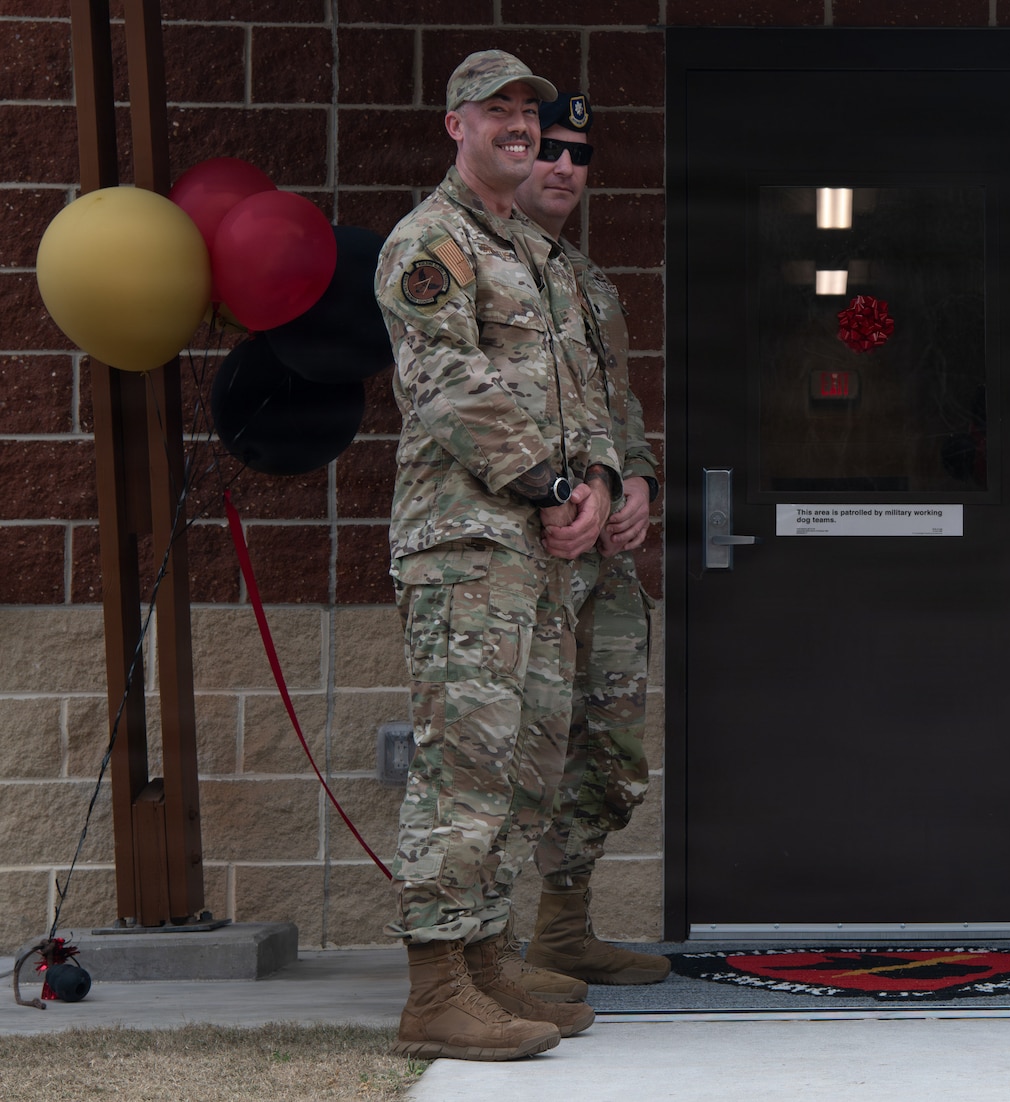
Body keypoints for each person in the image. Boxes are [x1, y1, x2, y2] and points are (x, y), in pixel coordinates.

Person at [375, 49, 622, 1059]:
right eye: (497, 111)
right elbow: (448, 383)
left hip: (545, 549)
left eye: (529, 110)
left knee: (525, 766)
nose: (519, 125)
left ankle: (483, 962)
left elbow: (584, 389)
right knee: (464, 764)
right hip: (468, 543)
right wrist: (552, 484)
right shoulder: (431, 242)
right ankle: (434, 984)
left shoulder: (536, 252)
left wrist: (597, 481)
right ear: (456, 125)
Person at [509, 92, 672, 989]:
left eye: (579, 155)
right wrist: (572, 489)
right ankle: (485, 956)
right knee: (514, 747)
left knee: (609, 752)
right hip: (526, 556)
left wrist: (640, 478)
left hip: (603, 564)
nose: (565, 167)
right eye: (546, 150)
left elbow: (620, 411)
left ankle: (564, 931)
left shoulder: (589, 284)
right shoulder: (485, 272)